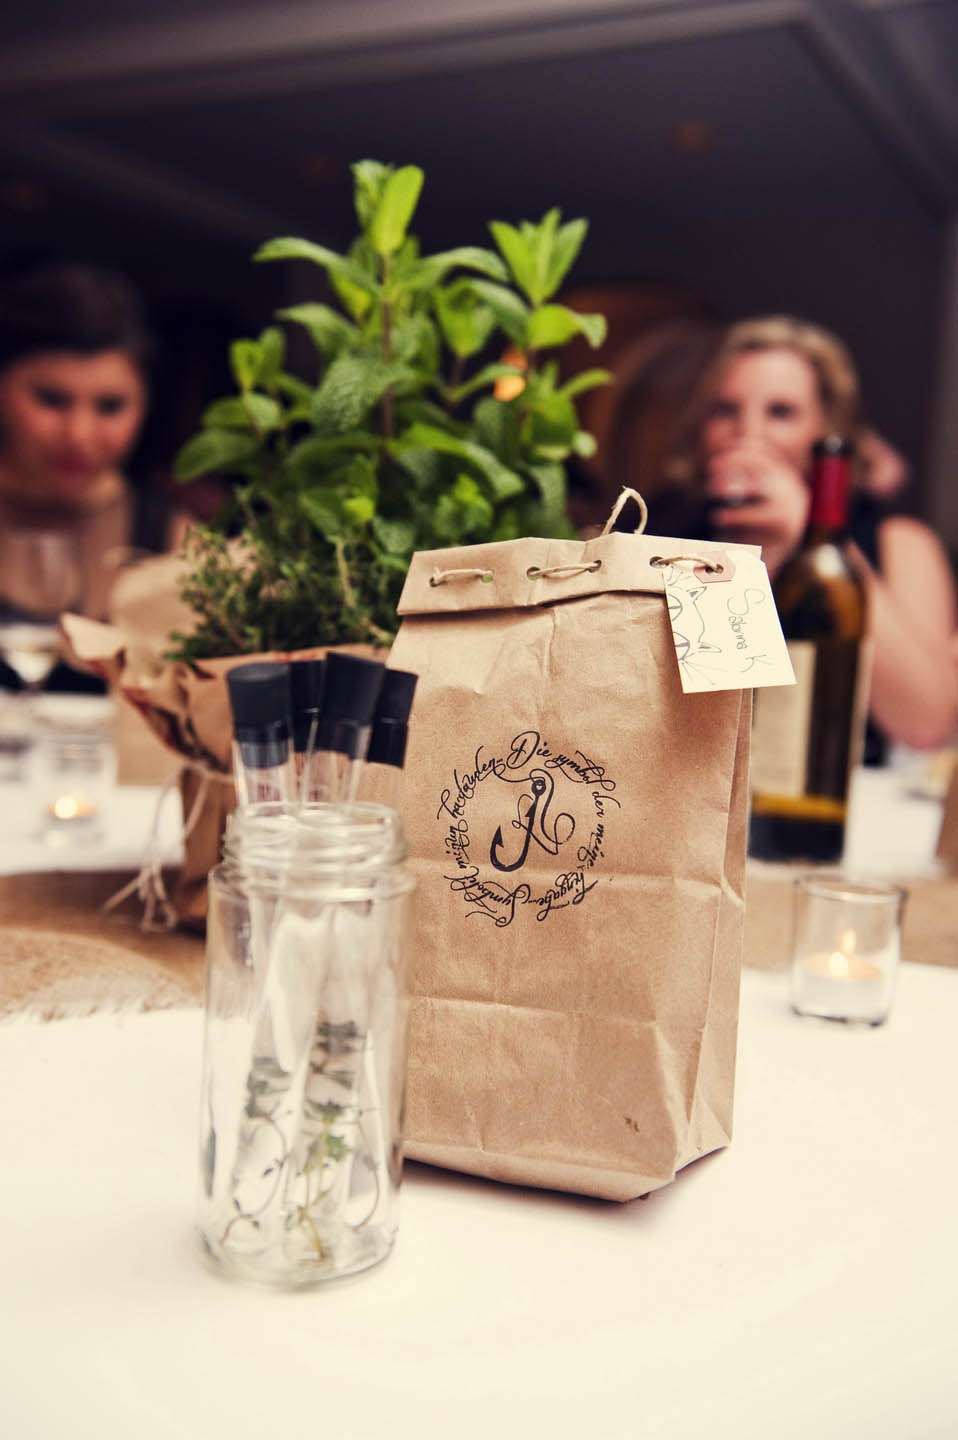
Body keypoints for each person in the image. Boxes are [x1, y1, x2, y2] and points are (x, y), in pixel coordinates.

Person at [649, 315, 957, 752]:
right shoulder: (668, 541)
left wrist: (808, 531)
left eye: (781, 412)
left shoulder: (899, 543)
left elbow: (928, 723)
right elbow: (704, 735)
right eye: (725, 410)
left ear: (826, 429)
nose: (748, 434)